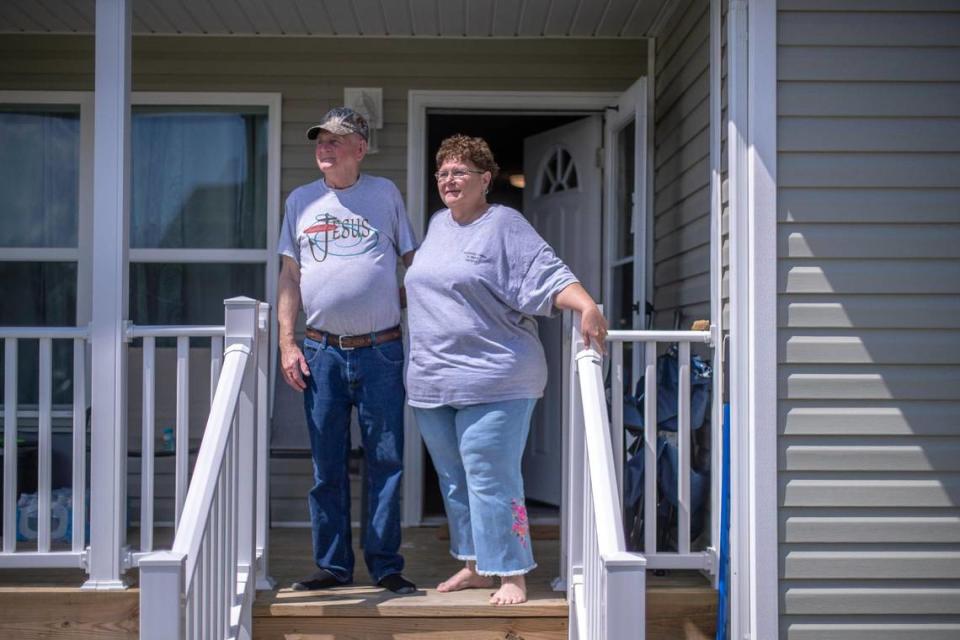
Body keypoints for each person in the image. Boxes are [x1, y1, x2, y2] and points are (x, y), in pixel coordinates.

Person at [404, 134, 607, 605]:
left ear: (485, 179)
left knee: (491, 474)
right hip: (432, 381)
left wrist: (585, 304)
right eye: (442, 173)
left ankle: (512, 572)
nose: (448, 181)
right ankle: (476, 565)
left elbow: (546, 273)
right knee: (454, 479)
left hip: (496, 377)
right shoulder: (438, 224)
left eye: (459, 172)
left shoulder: (503, 225)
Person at [277, 107, 418, 595]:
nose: (325, 147)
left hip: (382, 350)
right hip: (320, 353)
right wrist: (287, 342)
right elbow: (290, 277)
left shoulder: (384, 195)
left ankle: (385, 565)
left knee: (385, 461)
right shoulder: (300, 201)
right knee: (326, 466)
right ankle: (333, 567)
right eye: (320, 140)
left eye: (336, 140)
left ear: (360, 147)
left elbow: (413, 265)